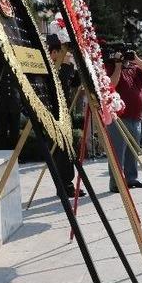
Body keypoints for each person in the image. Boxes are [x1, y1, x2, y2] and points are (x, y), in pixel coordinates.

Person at [105, 47, 142, 192]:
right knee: (117, 152)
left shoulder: (135, 67)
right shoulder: (111, 66)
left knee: (133, 151)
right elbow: (111, 85)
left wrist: (137, 59)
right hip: (119, 118)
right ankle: (116, 183)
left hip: (136, 117)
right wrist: (118, 65)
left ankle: (131, 178)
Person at [48, 35, 84, 196]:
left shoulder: (64, 67)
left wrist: (72, 67)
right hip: (54, 116)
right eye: (64, 52)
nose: (68, 55)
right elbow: (59, 85)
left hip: (65, 114)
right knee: (60, 153)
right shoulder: (49, 68)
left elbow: (75, 83)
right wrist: (68, 66)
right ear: (54, 53)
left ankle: (66, 185)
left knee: (67, 151)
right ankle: (65, 187)